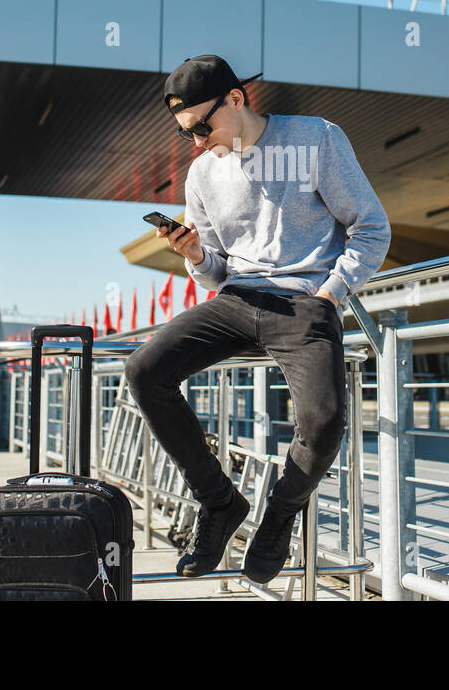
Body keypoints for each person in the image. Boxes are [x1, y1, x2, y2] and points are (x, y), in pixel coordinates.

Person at [124, 55, 391, 584]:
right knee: (143, 370)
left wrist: (332, 294)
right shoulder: (202, 173)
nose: (197, 143)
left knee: (324, 420)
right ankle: (220, 503)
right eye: (187, 135)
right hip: (237, 298)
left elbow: (371, 228)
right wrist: (195, 253)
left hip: (305, 299)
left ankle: (280, 515)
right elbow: (217, 270)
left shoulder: (316, 139)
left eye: (203, 127)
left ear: (237, 99)